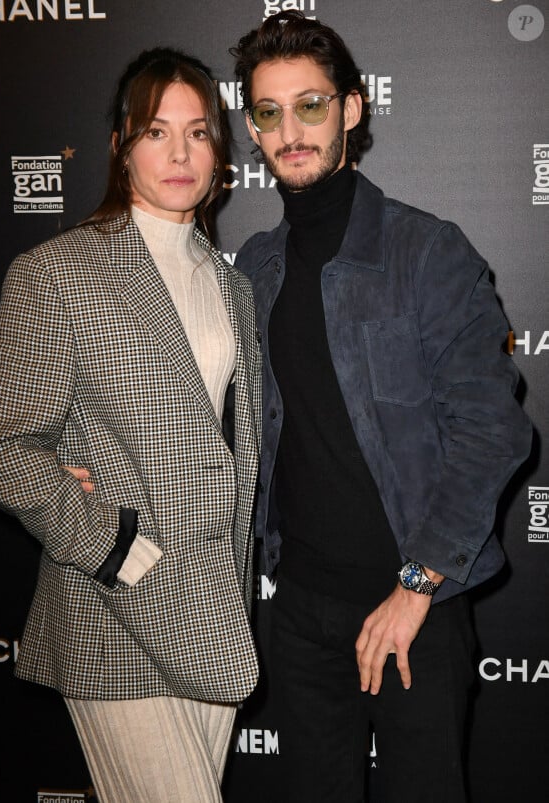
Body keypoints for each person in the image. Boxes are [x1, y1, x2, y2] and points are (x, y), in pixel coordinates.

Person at [230, 11, 532, 802]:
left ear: (352, 110)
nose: (290, 130)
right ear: (253, 127)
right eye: (269, 111)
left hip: (415, 613)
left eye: (311, 105)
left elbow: (493, 428)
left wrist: (415, 584)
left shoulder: (428, 252)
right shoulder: (257, 265)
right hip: (299, 614)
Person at [0, 47, 262, 803]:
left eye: (198, 133)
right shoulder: (56, 273)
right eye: (155, 130)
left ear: (219, 153)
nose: (178, 152)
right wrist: (113, 549)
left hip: (212, 605)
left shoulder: (234, 287)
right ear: (120, 146)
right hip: (114, 607)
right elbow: (2, 448)